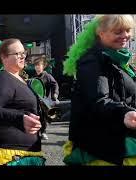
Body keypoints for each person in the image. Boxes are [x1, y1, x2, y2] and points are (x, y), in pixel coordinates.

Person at [62, 15, 136, 165]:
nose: (125, 35)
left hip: (120, 139)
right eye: (118, 31)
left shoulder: (118, 59)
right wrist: (124, 113)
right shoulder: (93, 61)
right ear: (100, 33)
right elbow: (98, 100)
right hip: (104, 147)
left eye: (128, 30)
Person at [0, 38, 45, 166]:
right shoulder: (2, 78)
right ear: (4, 57)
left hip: (26, 152)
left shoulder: (23, 80)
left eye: (24, 53)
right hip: (10, 156)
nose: (23, 56)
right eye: (18, 54)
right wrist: (20, 118)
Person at [33, 55, 59, 140]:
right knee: (35, 116)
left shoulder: (47, 76)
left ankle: (43, 132)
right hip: (35, 100)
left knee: (43, 117)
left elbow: (54, 84)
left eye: (39, 65)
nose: (37, 67)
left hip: (44, 100)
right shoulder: (34, 77)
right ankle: (36, 132)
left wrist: (54, 94)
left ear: (43, 66)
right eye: (36, 65)